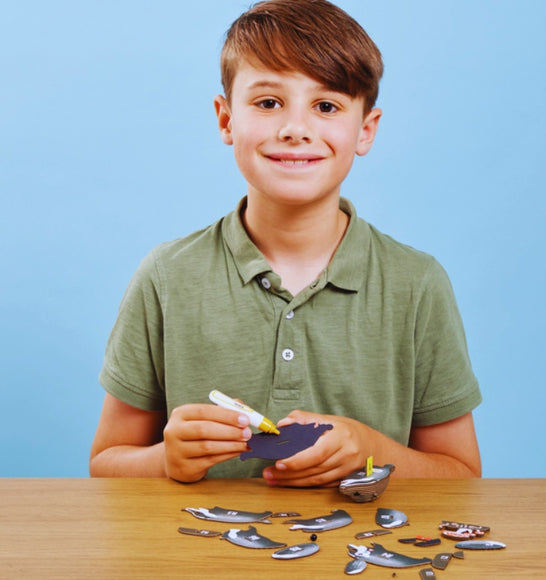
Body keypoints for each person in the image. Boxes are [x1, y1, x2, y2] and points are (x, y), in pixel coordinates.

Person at [90, 0, 482, 486]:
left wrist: (375, 450)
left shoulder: (417, 283)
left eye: (326, 106)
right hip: (200, 559)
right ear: (226, 119)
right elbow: (106, 464)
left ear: (366, 129)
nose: (295, 129)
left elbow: (462, 476)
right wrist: (164, 461)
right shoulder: (166, 276)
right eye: (269, 102)